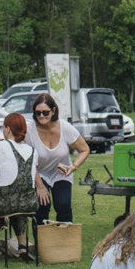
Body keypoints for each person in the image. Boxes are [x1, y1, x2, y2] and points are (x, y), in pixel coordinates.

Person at [27, 92, 89, 224]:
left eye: (45, 112)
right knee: (42, 205)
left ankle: (64, 241)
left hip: (61, 174)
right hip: (39, 173)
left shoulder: (65, 128)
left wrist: (73, 166)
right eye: (38, 113)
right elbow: (29, 162)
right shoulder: (30, 130)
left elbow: (84, 149)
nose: (41, 116)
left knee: (63, 204)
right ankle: (41, 243)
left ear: (53, 110)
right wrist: (40, 186)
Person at [0, 112, 38, 258]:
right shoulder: (33, 150)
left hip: (5, 203)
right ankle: (22, 245)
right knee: (16, 203)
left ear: (7, 129)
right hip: (29, 203)